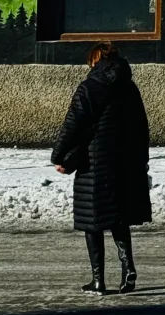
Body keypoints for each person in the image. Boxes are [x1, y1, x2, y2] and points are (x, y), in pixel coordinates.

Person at [51, 41, 152, 295]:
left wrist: (58, 155)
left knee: (93, 220)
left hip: (95, 161)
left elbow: (73, 122)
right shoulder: (130, 87)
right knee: (118, 217)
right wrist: (142, 160)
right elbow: (141, 126)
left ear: (95, 61)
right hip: (124, 162)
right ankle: (128, 270)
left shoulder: (91, 86)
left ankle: (98, 281)